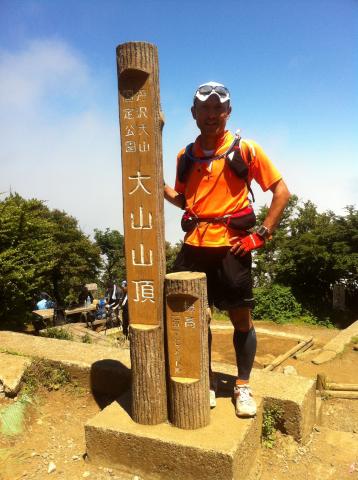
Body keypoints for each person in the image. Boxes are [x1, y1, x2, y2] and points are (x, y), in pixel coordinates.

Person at [164, 81, 291, 418]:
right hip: (194, 246)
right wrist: (156, 186)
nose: (212, 114)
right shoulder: (185, 156)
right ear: (194, 114)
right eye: (204, 108)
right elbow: (185, 199)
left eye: (218, 108)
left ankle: (242, 386)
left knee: (241, 320)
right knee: (189, 318)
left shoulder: (246, 149)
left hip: (232, 247)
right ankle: (202, 380)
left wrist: (262, 234)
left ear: (228, 112)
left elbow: (281, 191)